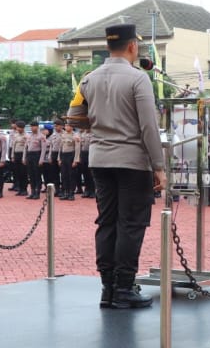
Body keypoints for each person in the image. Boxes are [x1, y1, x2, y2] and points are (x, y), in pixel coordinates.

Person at [67, 23, 164, 310]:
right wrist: (159, 166)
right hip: (132, 162)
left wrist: (101, 124)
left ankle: (108, 288)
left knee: (107, 222)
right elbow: (149, 126)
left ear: (109, 46)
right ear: (132, 46)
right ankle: (124, 287)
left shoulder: (89, 78)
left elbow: (74, 116)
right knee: (131, 224)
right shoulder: (138, 79)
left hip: (100, 159)